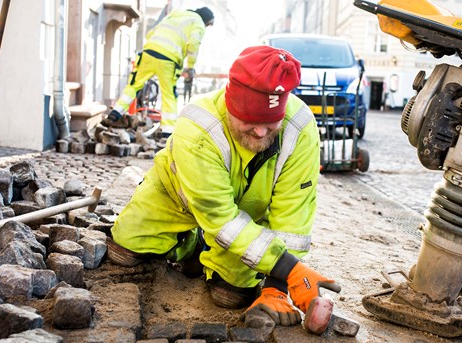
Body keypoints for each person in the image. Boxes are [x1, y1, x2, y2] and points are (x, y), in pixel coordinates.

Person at [106, 45, 340, 326]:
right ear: (231, 104)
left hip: (248, 219)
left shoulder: (300, 129)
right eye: (251, 122)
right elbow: (219, 216)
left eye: (271, 122)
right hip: (176, 197)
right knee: (123, 250)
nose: (262, 132)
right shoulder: (198, 126)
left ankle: (217, 264)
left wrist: (276, 287)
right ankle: (191, 244)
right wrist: (290, 268)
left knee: (230, 295)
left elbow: (294, 217)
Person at [104, 7, 215, 137]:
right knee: (168, 95)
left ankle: (115, 113)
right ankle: (167, 132)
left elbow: (152, 32)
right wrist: (190, 67)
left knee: (133, 86)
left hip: (149, 53)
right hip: (168, 60)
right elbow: (194, 44)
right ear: (206, 20)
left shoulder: (176, 14)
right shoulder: (198, 23)